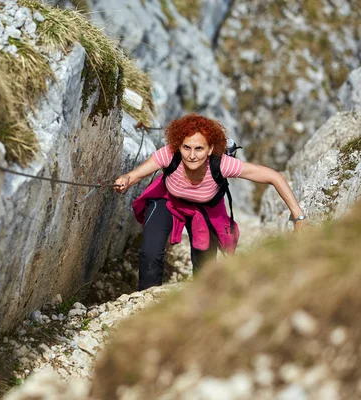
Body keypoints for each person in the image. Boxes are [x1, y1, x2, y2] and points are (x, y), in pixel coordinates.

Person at [114, 114, 306, 290]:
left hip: (204, 210)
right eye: (186, 147)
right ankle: (147, 303)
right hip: (168, 201)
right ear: (178, 145)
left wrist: (298, 216)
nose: (191, 155)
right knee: (150, 253)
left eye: (199, 148)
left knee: (205, 265)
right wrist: (125, 180)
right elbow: (136, 175)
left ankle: (201, 301)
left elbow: (273, 177)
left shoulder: (222, 164)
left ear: (211, 149)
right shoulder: (169, 154)